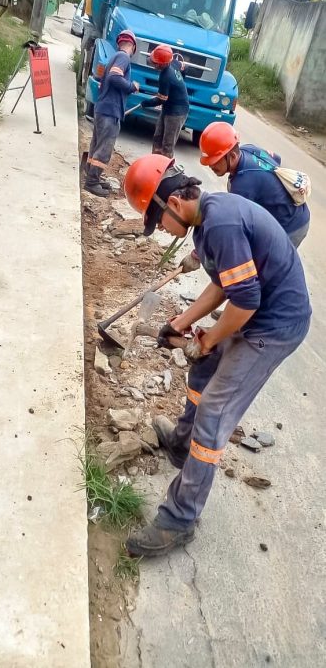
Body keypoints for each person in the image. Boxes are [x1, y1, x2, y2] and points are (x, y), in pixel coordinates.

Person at [123, 154, 311, 557]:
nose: (165, 233)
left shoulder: (221, 222)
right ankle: (180, 444)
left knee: (214, 410)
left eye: (160, 225)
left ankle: (181, 517)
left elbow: (244, 301)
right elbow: (224, 286)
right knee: (204, 366)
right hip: (257, 311)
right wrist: (182, 323)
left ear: (173, 204)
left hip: (275, 327)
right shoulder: (208, 220)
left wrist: (205, 339)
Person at [199, 122, 310, 248]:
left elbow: (234, 226)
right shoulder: (248, 149)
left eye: (215, 161)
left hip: (291, 225)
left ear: (233, 156)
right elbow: (276, 158)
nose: (211, 166)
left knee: (269, 263)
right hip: (296, 211)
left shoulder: (243, 185)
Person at [84, 29, 139, 197]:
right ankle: (92, 182)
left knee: (97, 145)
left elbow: (104, 81)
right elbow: (115, 78)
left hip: (103, 108)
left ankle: (93, 176)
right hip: (110, 111)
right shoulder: (123, 57)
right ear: (133, 46)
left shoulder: (113, 58)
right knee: (104, 148)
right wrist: (132, 87)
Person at [141, 44, 189, 158]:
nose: (152, 64)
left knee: (167, 145)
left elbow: (160, 100)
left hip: (177, 112)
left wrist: (145, 103)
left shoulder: (165, 77)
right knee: (158, 137)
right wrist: (180, 82)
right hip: (168, 108)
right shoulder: (174, 63)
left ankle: (164, 170)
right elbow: (186, 67)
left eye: (154, 63)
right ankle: (154, 163)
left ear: (161, 64)